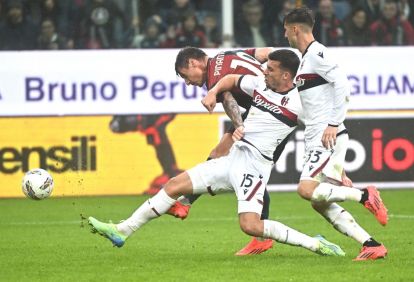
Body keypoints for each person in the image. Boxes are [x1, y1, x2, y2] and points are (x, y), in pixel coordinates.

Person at [88, 49, 346, 258]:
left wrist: (336, 166)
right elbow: (246, 68)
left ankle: (314, 243)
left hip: (254, 166)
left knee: (250, 225)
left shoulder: (299, 104)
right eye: (267, 67)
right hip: (235, 156)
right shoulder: (257, 82)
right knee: (174, 184)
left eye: (185, 75)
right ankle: (122, 229)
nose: (266, 70)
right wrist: (232, 111)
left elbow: (320, 132)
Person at [283, 6, 388, 261]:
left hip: (327, 136)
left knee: (306, 190)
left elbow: (343, 83)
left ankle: (365, 195)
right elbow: (313, 105)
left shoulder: (317, 53)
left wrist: (333, 123)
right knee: (320, 202)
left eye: (286, 30)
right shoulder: (305, 60)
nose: (285, 35)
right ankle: (370, 244)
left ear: (295, 29)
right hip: (319, 139)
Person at [170, 46, 275, 256]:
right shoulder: (226, 55)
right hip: (264, 107)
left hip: (269, 113)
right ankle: (186, 203)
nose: (188, 82)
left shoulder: (214, 76)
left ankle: (262, 238)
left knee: (252, 172)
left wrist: (239, 128)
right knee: (218, 153)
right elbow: (266, 53)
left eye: (185, 76)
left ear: (193, 63)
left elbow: (228, 99)